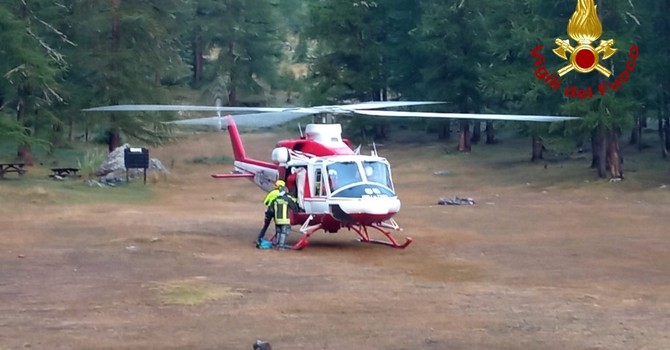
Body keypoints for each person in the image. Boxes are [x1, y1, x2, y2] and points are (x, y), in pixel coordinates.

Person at [256, 180, 285, 249]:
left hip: (269, 211)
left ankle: (259, 239)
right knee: (278, 226)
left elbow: (265, 202)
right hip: (277, 212)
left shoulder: (272, 193)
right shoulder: (283, 194)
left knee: (265, 226)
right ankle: (278, 242)